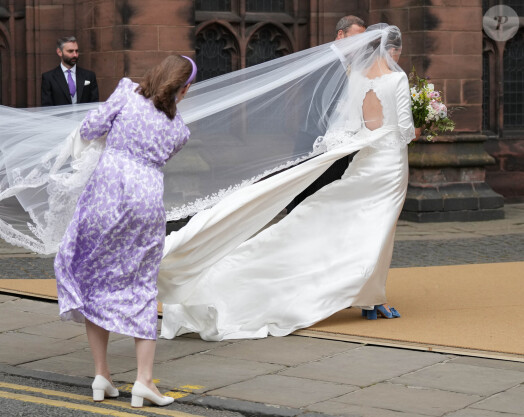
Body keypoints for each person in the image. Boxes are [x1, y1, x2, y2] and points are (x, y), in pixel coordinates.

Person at [158, 24, 421, 341]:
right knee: (378, 228)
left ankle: (371, 296)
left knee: (352, 222)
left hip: (365, 162)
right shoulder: (397, 79)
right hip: (390, 164)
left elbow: (352, 127)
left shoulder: (357, 79)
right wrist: (426, 125)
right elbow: (404, 131)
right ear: (394, 50)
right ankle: (370, 296)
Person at [53, 55, 195, 406]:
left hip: (106, 194)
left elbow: (89, 129)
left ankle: (102, 374)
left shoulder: (126, 93)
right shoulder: (180, 131)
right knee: (141, 284)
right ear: (183, 88)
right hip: (145, 202)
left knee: (94, 277)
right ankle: (144, 380)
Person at [287, 15, 366, 212]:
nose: (360, 46)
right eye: (356, 39)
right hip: (315, 145)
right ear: (341, 34)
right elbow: (313, 108)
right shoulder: (323, 62)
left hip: (333, 144)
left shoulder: (347, 66)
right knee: (308, 202)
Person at [41, 36, 99, 106]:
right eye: (70, 51)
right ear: (59, 52)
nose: (75, 55)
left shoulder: (89, 76)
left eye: (76, 51)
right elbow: (47, 107)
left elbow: (94, 104)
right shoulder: (49, 78)